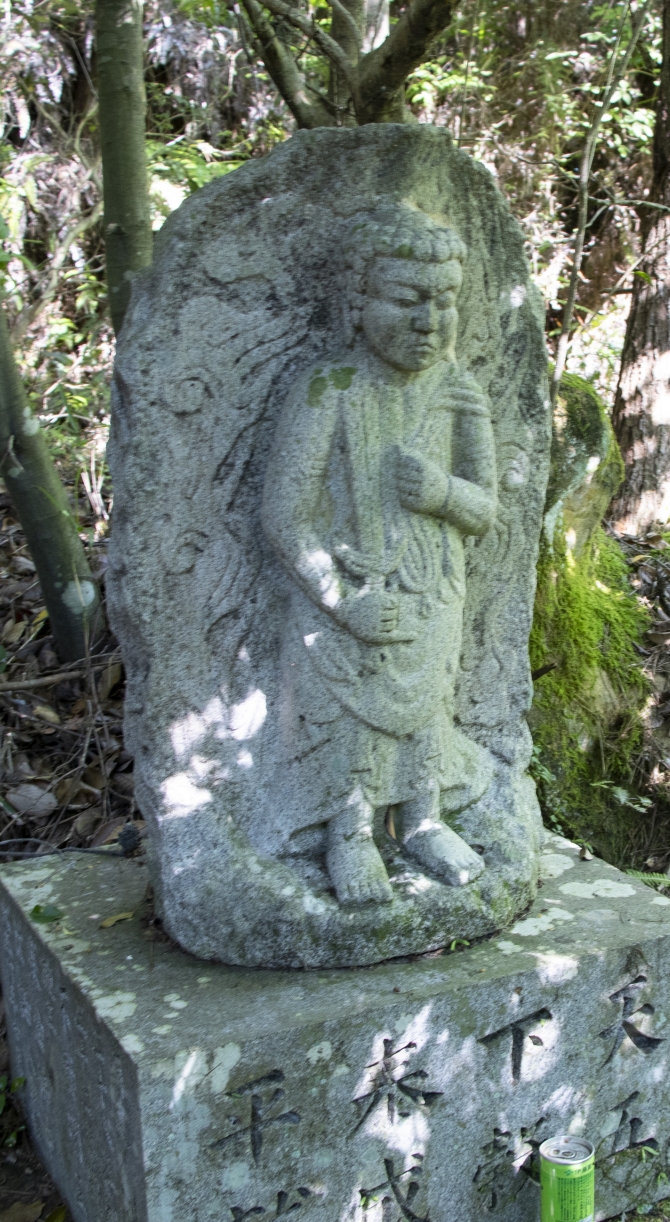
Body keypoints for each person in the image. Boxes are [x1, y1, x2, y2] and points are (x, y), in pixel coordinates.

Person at [262, 203, 498, 905]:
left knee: (427, 715)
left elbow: (485, 509)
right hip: (348, 592)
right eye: (406, 299)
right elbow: (283, 514)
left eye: (444, 301)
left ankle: (423, 821)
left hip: (433, 587)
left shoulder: (459, 392)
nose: (429, 321)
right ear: (358, 303)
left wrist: (442, 492)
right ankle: (350, 833)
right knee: (352, 723)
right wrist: (343, 603)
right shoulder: (327, 389)